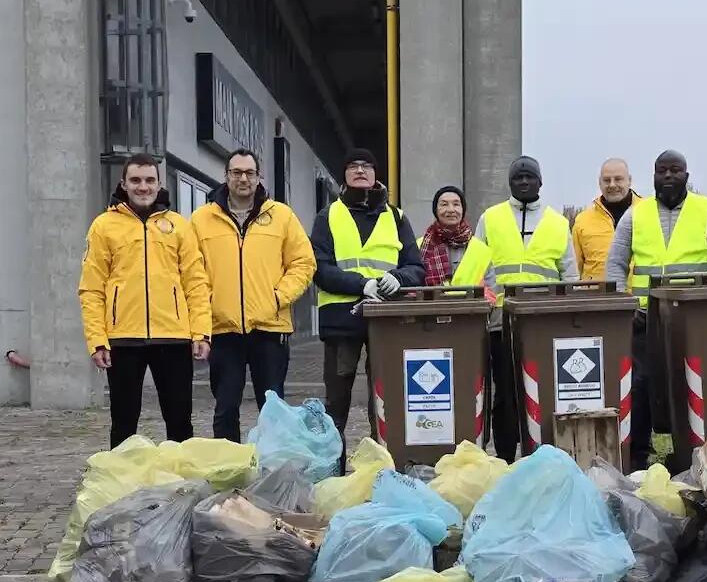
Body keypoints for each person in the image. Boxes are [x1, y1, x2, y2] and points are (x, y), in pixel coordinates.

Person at [605, 149, 707, 470]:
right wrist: (621, 305)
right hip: (644, 319)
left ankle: (694, 455)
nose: (668, 176)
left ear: (686, 176)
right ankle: (637, 459)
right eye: (661, 171)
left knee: (692, 386)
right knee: (638, 387)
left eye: (675, 170)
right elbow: (615, 262)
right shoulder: (635, 215)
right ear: (653, 177)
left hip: (694, 319)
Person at [79, 153, 212, 448]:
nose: (143, 186)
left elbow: (196, 283)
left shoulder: (179, 225)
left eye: (149, 180)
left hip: (173, 337)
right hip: (123, 339)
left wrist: (200, 332)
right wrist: (97, 340)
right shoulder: (103, 226)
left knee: (180, 422)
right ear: (123, 184)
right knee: (124, 423)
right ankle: (121, 485)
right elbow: (91, 289)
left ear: (159, 183)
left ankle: (182, 484)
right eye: (136, 180)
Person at [191, 148, 317, 442]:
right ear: (226, 176)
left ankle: (274, 472)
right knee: (225, 410)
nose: (243, 179)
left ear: (259, 177)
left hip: (269, 330)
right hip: (223, 330)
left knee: (273, 410)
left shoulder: (281, 216)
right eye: (236, 172)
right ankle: (231, 473)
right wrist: (206, 309)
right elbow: (192, 271)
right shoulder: (201, 220)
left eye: (249, 173)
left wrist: (276, 298)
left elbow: (303, 263)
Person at [311, 148, 425, 471]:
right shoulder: (328, 216)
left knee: (388, 402)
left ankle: (387, 470)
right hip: (342, 322)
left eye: (367, 166)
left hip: (387, 324)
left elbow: (416, 267)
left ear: (376, 175)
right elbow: (319, 267)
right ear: (344, 175)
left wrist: (396, 279)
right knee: (337, 405)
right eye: (353, 166)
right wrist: (362, 285)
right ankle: (334, 473)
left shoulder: (397, 217)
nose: (360, 170)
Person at [475, 155, 578, 462]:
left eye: (529, 177)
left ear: (539, 182)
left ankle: (541, 453)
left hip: (544, 325)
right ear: (510, 182)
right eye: (517, 178)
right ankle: (505, 456)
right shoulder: (489, 219)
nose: (523, 182)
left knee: (542, 390)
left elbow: (569, 275)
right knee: (505, 394)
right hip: (500, 322)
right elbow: (477, 269)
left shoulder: (559, 223)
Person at [419, 185, 496, 296]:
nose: (451, 210)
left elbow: (491, 292)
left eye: (456, 204)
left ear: (463, 210)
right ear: (435, 210)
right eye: (444, 204)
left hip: (472, 311)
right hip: (432, 311)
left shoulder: (480, 249)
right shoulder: (420, 246)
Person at [573, 158, 641, 282]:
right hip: (596, 299)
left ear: (629, 181)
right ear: (599, 183)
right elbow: (574, 270)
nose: (612, 185)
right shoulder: (582, 221)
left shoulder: (647, 214)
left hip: (639, 298)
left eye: (618, 179)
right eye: (606, 180)